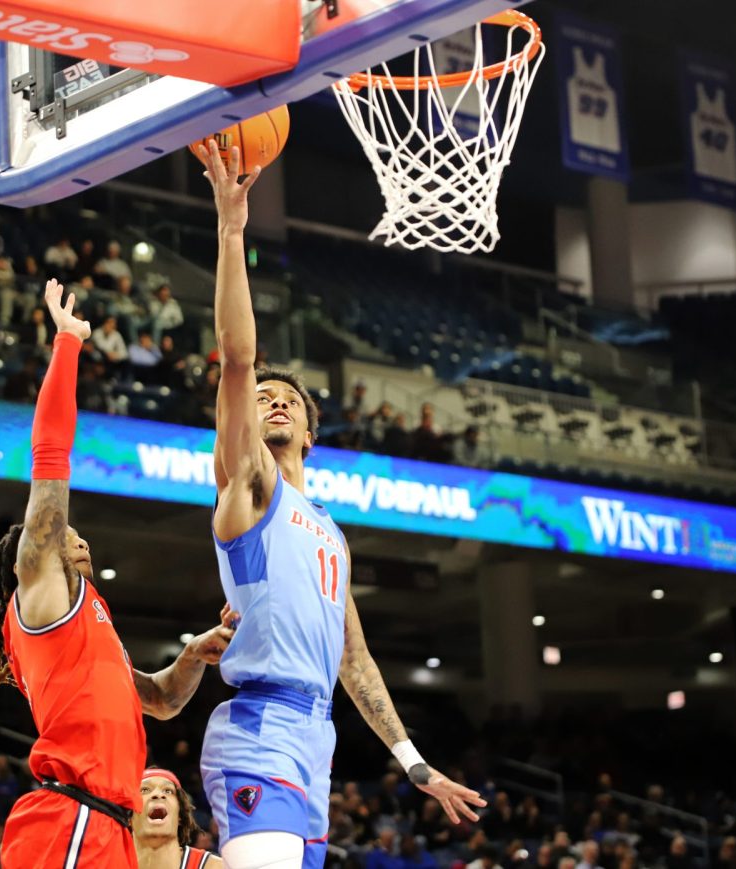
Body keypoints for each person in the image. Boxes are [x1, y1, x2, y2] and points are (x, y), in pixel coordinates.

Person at [197, 138, 484, 869]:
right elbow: (236, 357)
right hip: (261, 724)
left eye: (288, 397)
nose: (273, 401)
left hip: (316, 737)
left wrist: (414, 762)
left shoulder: (329, 532)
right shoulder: (247, 483)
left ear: (311, 429)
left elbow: (353, 657)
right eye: (263, 399)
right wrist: (232, 230)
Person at [0, 279, 235, 869]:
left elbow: (159, 701)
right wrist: (69, 344)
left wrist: (192, 657)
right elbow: (51, 459)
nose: (79, 537)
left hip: (105, 825)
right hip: (69, 818)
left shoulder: (86, 633)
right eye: (66, 533)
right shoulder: (44, 593)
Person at [133, 769, 222, 869]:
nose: (158, 794)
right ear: (128, 816)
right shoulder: (113, 862)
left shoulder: (214, 866)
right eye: (145, 790)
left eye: (168, 791)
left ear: (179, 815)